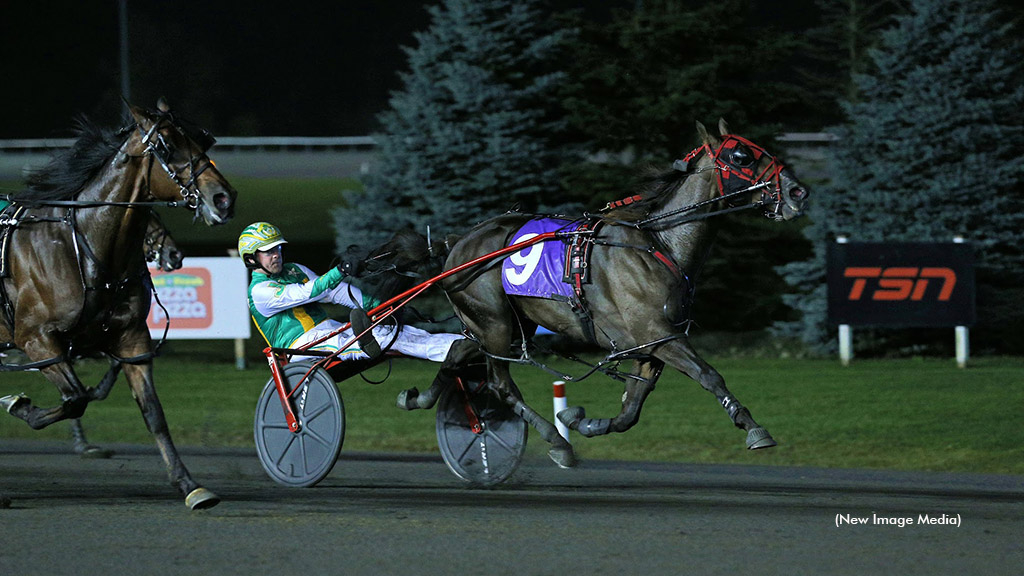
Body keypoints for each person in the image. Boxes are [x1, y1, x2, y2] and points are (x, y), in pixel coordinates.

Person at [238, 222, 463, 363]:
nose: (276, 255)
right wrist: (341, 270)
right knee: (382, 339)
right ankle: (368, 347)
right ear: (251, 258)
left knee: (393, 332)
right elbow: (307, 292)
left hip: (327, 330)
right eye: (268, 252)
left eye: (278, 248)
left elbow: (332, 292)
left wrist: (371, 305)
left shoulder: (295, 269)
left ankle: (459, 344)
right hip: (298, 348)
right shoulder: (259, 292)